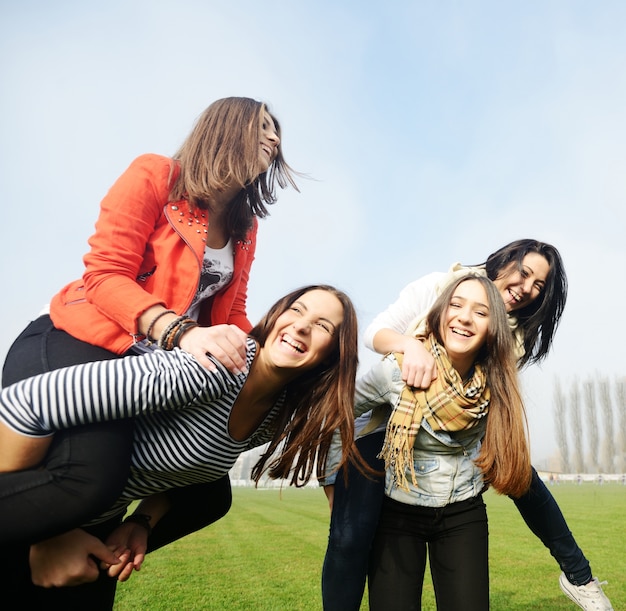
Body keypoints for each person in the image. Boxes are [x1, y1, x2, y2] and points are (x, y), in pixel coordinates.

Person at [1, 96, 298, 542]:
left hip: (151, 362)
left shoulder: (245, 224)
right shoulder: (157, 175)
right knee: (92, 475)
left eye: (277, 131)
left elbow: (232, 312)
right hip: (82, 336)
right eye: (263, 126)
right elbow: (104, 275)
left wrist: (267, 362)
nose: (275, 138)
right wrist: (178, 331)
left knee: (209, 493)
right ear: (226, 127)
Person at [0, 285, 368, 609]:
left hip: (95, 532)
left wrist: (144, 521)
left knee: (215, 495)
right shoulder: (209, 370)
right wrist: (46, 533)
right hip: (33, 513)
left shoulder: (275, 417)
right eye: (296, 310)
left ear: (333, 355)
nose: (302, 326)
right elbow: (26, 402)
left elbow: (198, 470)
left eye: (322, 325)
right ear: (275, 317)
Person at [321, 239, 614, 611]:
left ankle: (579, 576)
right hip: (383, 425)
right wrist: (410, 347)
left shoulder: (511, 337)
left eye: (538, 287)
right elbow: (375, 334)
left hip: (452, 437)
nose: (526, 288)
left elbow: (488, 398)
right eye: (523, 273)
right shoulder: (439, 287)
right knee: (349, 538)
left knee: (522, 476)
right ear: (502, 262)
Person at [362, 275, 532, 609]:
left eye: (481, 312)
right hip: (396, 512)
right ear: (439, 314)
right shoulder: (395, 370)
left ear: (493, 328)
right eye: (455, 305)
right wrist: (339, 487)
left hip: (462, 511)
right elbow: (338, 417)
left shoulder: (496, 382)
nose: (465, 317)